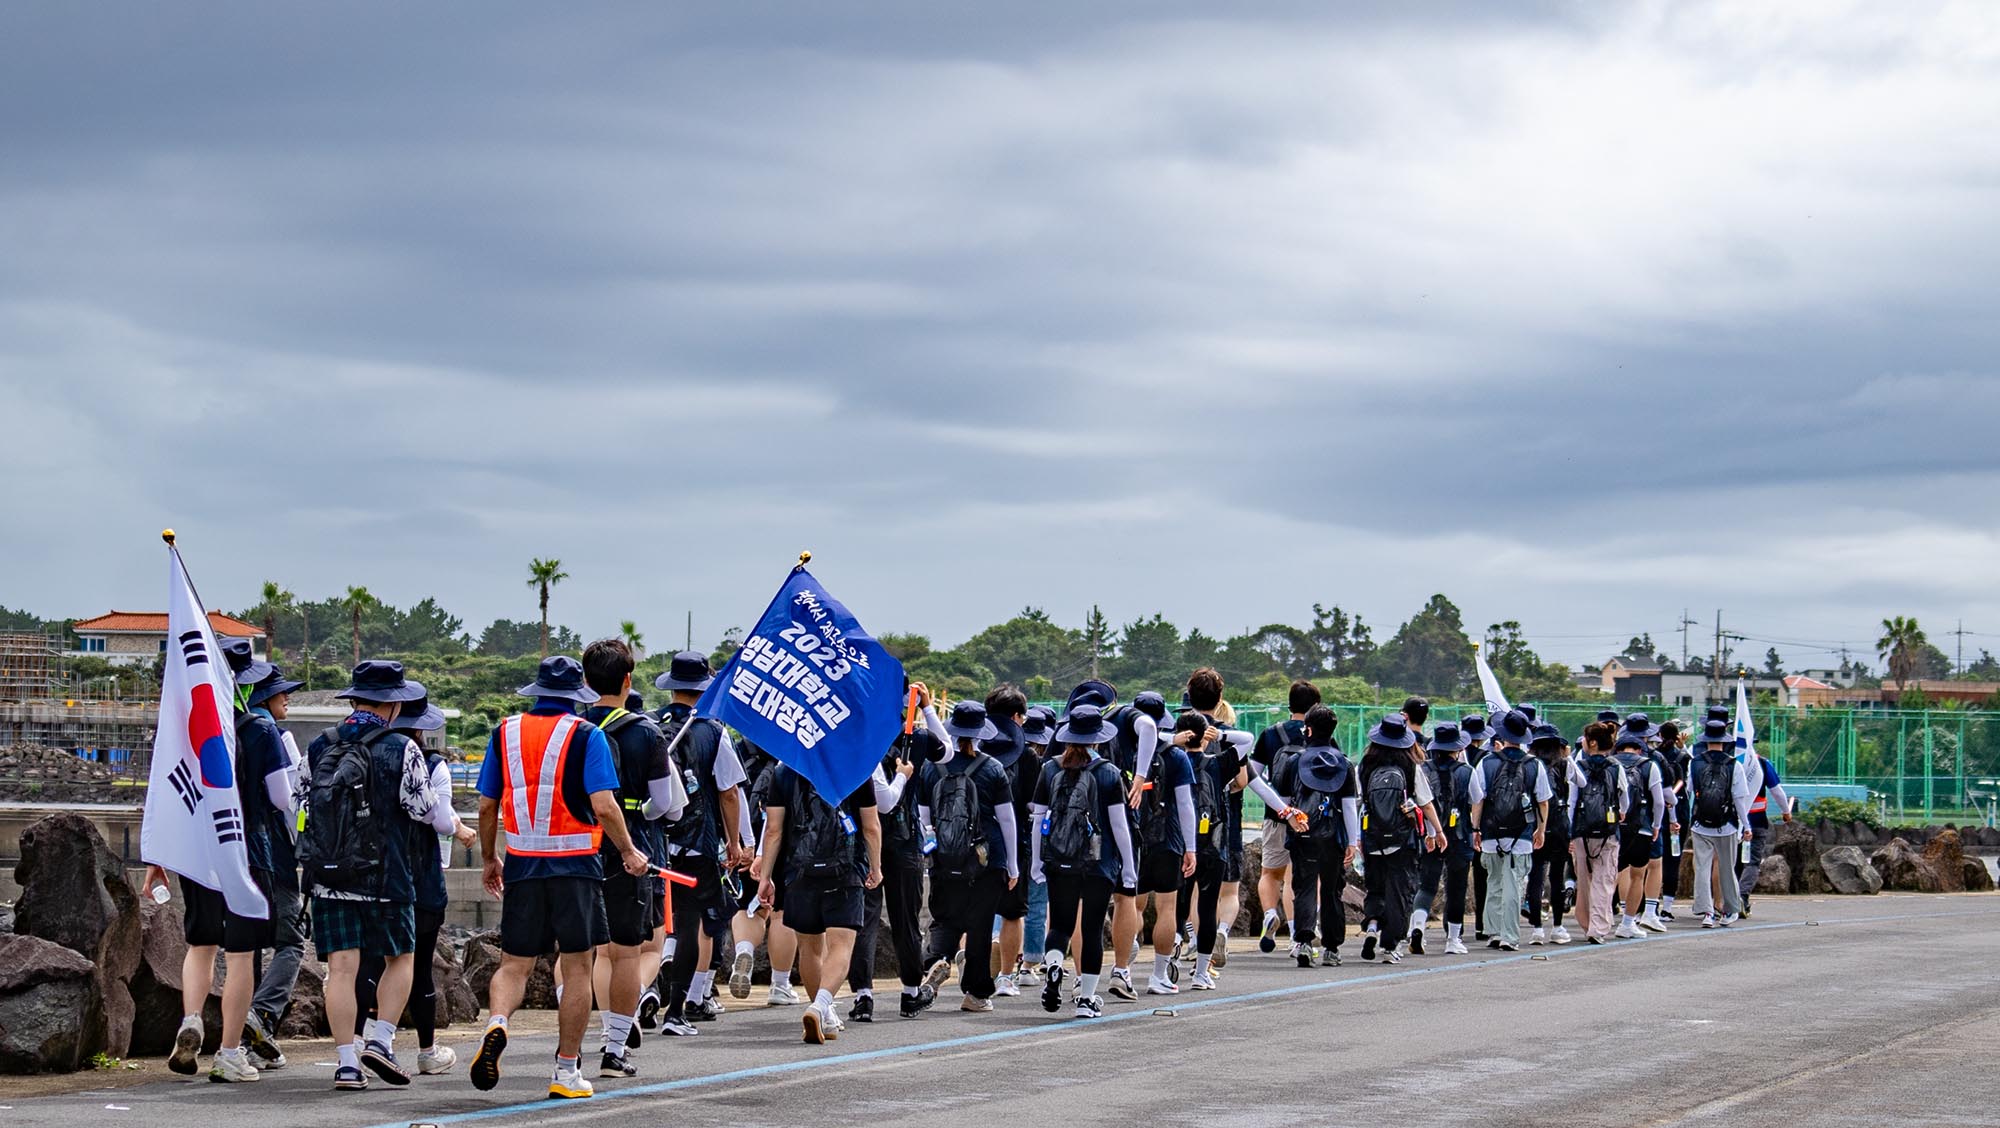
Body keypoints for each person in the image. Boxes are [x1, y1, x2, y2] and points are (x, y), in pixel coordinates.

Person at [471, 656, 650, 1101]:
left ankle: (497, 1022)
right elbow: (605, 806)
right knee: (576, 967)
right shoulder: (588, 735)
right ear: (578, 694)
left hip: (524, 861)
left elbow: (487, 806)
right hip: (576, 866)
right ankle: (566, 1071)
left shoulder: (505, 732)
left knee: (514, 964)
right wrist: (628, 851)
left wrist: (491, 858)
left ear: (536, 692)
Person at [145, 639, 295, 1083]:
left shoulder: (183, 728)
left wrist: (156, 857)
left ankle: (191, 1017)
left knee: (202, 943)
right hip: (247, 852)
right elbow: (281, 796)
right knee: (243, 955)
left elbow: (165, 795)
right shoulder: (261, 730)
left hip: (198, 852)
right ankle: (229, 1052)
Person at [299, 661, 452, 1092]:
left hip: (330, 877)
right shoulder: (402, 748)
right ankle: (381, 1040)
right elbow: (425, 810)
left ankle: (347, 1063)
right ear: (393, 704)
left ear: (354, 698)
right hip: (388, 877)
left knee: (342, 970)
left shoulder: (319, 745)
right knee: (400, 958)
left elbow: (300, 802)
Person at [355, 694, 476, 1077]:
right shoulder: (431, 764)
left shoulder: (367, 755)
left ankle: (359, 1040)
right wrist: (460, 827)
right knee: (419, 966)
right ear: (422, 726)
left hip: (372, 873)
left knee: (370, 962)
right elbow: (438, 819)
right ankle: (426, 1051)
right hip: (420, 876)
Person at [578, 640, 684, 1078]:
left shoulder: (575, 728)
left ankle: (600, 1034)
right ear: (628, 680)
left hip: (583, 850)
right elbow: (666, 804)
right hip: (635, 850)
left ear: (585, 681)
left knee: (597, 954)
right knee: (627, 953)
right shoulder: (646, 733)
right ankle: (614, 1046)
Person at [652, 651, 752, 1037]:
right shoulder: (713, 730)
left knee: (658, 925)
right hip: (697, 844)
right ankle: (676, 1010)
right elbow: (729, 793)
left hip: (656, 843)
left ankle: (645, 990)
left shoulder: (651, 725)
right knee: (692, 924)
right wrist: (735, 842)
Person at [757, 759, 882, 1044]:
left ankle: (822, 1013)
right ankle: (820, 1006)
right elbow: (871, 826)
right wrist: (875, 867)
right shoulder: (855, 766)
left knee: (810, 947)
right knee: (841, 947)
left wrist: (766, 876)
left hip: (800, 872)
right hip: (845, 870)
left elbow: (774, 830)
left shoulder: (784, 771)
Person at [1029, 704, 1136, 1020]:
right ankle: (1087, 1000)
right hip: (1098, 863)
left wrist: (1037, 861)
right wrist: (1128, 868)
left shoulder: (1050, 769)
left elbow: (1038, 819)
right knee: (1090, 930)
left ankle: (1052, 965)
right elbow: (1119, 825)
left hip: (1058, 860)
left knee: (1060, 924)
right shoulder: (1108, 773)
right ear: (1097, 739)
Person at [848, 684, 948, 1020]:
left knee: (865, 920)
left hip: (867, 842)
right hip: (905, 842)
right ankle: (910, 992)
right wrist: (928, 710)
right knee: (906, 920)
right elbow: (946, 751)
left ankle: (863, 996)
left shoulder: (863, 739)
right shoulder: (918, 739)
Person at [917, 700, 1018, 1012]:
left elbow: (924, 819)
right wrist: (1012, 864)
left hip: (945, 858)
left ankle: (938, 960)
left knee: (945, 917)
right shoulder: (992, 768)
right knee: (979, 925)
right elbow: (1007, 820)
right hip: (987, 859)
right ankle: (975, 993)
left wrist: (936, 852)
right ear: (980, 733)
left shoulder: (930, 767)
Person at [240, 662, 306, 1073]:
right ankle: (261, 1015)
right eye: (282, 692)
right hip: (275, 854)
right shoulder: (275, 736)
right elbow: (288, 800)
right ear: (265, 698)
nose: (288, 697)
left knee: (250, 946)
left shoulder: (235, 729)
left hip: (234, 852)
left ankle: (247, 1044)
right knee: (292, 942)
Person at [1121, 695, 1198, 997]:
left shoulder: (1125, 752)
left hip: (1132, 838)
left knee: (1131, 905)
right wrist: (1190, 847)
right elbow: (1186, 805)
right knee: (1167, 907)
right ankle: (1158, 974)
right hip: (1168, 839)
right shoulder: (1175, 756)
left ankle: (1123, 971)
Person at [1272, 706, 1359, 967]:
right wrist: (1352, 842)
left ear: (1308, 730)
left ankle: (1305, 942)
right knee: (1333, 890)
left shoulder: (1294, 762)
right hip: (1334, 836)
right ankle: (1332, 948)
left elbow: (1284, 804)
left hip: (1303, 833)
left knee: (1305, 886)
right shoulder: (1344, 763)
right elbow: (1349, 806)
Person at [1355, 713, 1444, 964]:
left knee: (1375, 887)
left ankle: (1372, 925)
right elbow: (1426, 804)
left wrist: (1357, 838)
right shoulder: (1409, 767)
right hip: (1402, 838)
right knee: (1399, 891)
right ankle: (1390, 945)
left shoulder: (1364, 765)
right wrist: (1438, 831)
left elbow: (1358, 803)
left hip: (1371, 836)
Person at [1469, 709, 1551, 952]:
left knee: (1494, 881)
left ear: (1502, 735)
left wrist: (1476, 828)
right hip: (1522, 836)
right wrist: (1541, 829)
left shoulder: (1487, 762)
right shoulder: (1534, 764)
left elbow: (1478, 799)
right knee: (1514, 884)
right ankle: (1509, 936)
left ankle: (1493, 931)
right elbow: (1543, 801)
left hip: (1491, 834)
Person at [1252, 681, 1319, 952]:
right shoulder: (1320, 733)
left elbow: (1253, 774)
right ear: (1316, 706)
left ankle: (1270, 914)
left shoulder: (1270, 734)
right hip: (1309, 816)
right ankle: (1296, 935)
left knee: (1270, 873)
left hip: (1276, 812)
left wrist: (1280, 805)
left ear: (1290, 703)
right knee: (1299, 878)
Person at [981, 685, 1034, 998]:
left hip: (971, 842)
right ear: (1017, 717)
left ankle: (969, 965)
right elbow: (1032, 804)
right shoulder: (1025, 755)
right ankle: (1005, 977)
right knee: (1013, 913)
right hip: (1012, 842)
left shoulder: (972, 747)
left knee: (976, 910)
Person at [1411, 721, 1474, 955]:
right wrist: (1475, 830)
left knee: (1426, 885)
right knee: (1456, 888)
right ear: (1457, 748)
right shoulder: (1467, 771)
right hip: (1459, 835)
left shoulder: (1422, 769)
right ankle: (1453, 939)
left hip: (1429, 834)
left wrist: (1430, 831)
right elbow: (1476, 800)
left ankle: (1417, 927)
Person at [1688, 719, 1757, 928]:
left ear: (1706, 739)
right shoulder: (1733, 764)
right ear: (1724, 740)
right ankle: (1729, 910)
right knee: (1727, 867)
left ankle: (1706, 912)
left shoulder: (1695, 763)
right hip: (1726, 825)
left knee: (1702, 867)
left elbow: (1690, 792)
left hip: (1700, 825)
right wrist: (1747, 825)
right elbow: (1739, 798)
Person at [1567, 722, 1629, 944]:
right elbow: (1624, 800)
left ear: (1592, 742)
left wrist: (1570, 832)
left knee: (1584, 879)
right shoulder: (1616, 767)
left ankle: (1585, 923)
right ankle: (1598, 928)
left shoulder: (1578, 766)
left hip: (1581, 832)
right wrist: (1620, 813)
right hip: (1608, 832)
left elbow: (1572, 801)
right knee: (1604, 880)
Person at [1612, 715, 1668, 938]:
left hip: (1613, 828)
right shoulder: (1650, 764)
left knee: (1609, 874)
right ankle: (1628, 923)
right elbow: (1660, 801)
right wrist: (1656, 825)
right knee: (1638, 875)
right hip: (1642, 828)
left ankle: (1601, 920)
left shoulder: (1610, 763)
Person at [1524, 723, 1574, 946]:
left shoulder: (1530, 765)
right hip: (1560, 826)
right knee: (1557, 877)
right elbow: (1578, 784)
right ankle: (1558, 926)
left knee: (1536, 877)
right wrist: (1569, 757)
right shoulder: (1564, 765)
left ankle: (1536, 929)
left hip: (1535, 824)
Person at [1736, 737, 1795, 917]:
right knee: (1752, 862)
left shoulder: (1730, 763)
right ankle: (1742, 897)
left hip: (1732, 822)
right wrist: (1786, 811)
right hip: (1756, 822)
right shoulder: (1761, 764)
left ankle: (1726, 899)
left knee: (1733, 862)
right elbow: (1777, 791)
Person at [1655, 720, 1693, 921]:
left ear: (1659, 735)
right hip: (1680, 810)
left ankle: (1648, 905)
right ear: (1677, 736)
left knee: (1653, 860)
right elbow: (1686, 783)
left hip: (1657, 810)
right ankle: (1667, 908)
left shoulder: (1653, 756)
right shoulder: (1683, 756)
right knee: (1673, 858)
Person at [1460, 713, 1493, 939]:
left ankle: (1454, 925)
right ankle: (1482, 924)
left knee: (1457, 877)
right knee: (1483, 877)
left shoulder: (1455, 756)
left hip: (1456, 823)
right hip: (1481, 824)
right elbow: (1481, 796)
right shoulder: (1487, 758)